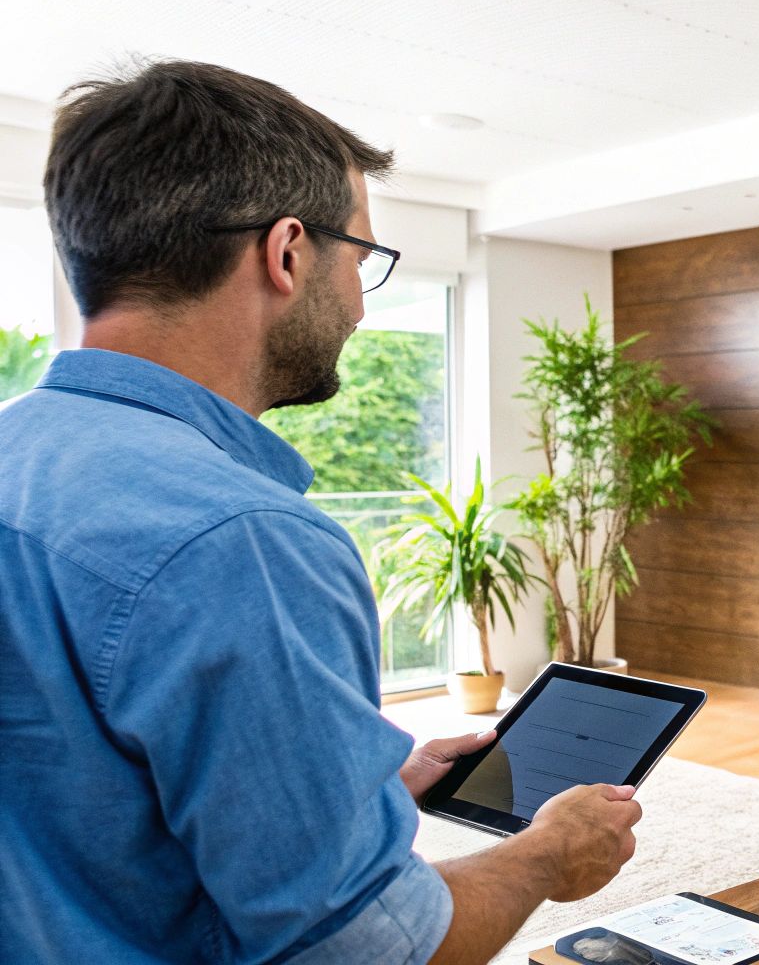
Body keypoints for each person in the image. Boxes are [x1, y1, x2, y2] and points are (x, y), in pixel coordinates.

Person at [0, 59, 641, 964]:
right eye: (365, 259)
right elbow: (368, 950)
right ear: (289, 252)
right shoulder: (245, 541)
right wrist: (544, 858)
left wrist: (367, 787)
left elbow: (82, 806)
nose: (360, 310)